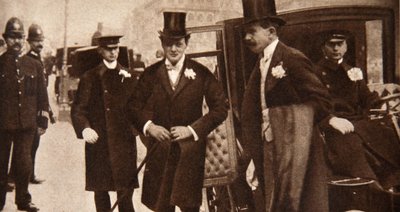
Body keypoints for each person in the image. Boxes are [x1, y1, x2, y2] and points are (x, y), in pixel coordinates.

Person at [126, 12, 228, 212]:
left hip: (189, 155)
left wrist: (192, 130)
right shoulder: (151, 74)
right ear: (162, 44)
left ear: (186, 43)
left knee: (189, 207)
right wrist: (149, 127)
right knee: (161, 206)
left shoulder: (201, 74)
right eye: (168, 43)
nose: (173, 49)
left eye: (178, 44)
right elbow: (132, 107)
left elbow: (221, 108)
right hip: (160, 153)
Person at [240, 8, 333, 212]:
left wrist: (286, 118)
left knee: (301, 203)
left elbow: (322, 101)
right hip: (271, 145)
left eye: (252, 32)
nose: (247, 38)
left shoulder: (292, 58)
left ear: (271, 32)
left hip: (298, 147)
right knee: (276, 201)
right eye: (245, 33)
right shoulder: (262, 61)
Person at [314, 30, 400, 191]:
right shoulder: (316, 72)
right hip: (336, 124)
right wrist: (331, 119)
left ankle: (393, 185)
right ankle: (374, 188)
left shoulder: (352, 71)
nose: (336, 49)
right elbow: (315, 103)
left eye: (340, 44)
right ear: (323, 48)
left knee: (387, 134)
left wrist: (380, 104)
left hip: (358, 121)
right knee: (353, 148)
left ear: (346, 47)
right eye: (331, 45)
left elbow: (366, 97)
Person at [71, 35, 138, 212]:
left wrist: (137, 129)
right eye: (109, 49)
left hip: (124, 144)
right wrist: (85, 129)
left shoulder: (129, 76)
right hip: (99, 143)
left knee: (125, 194)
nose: (113, 52)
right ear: (100, 50)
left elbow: (138, 107)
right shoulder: (90, 77)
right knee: (101, 193)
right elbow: (78, 109)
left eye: (116, 48)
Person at [0, 17, 49, 212]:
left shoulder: (33, 64)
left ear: (24, 40)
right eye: (13, 38)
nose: (17, 42)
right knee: (0, 164)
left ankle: (23, 200)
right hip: (3, 123)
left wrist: (42, 119)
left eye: (20, 38)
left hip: (27, 124)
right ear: (5, 39)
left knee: (24, 164)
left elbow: (41, 95)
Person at [24, 23, 56, 184]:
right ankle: (19, 176)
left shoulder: (38, 60)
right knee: (27, 146)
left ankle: (29, 174)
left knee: (33, 145)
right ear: (29, 42)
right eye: (36, 41)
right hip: (30, 111)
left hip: (38, 110)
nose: (40, 44)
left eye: (41, 40)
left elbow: (43, 91)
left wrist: (48, 112)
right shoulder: (28, 60)